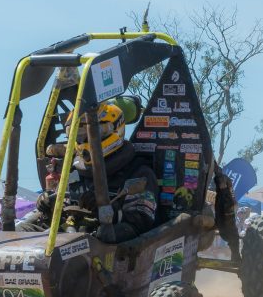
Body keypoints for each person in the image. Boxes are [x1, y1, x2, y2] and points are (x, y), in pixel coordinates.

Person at [17, 102, 158, 243]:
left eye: (92, 134)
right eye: (80, 135)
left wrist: (106, 210)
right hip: (66, 239)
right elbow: (64, 209)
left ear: (115, 129)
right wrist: (48, 205)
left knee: (98, 236)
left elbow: (139, 224)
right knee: (20, 230)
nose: (86, 140)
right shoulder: (74, 170)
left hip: (107, 248)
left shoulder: (138, 172)